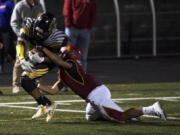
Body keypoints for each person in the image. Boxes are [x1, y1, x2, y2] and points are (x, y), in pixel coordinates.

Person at [30, 44, 167, 123]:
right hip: (94, 95)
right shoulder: (64, 73)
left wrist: (43, 49)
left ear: (68, 55)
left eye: (63, 53)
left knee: (120, 117)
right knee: (90, 117)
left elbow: (58, 62)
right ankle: (126, 114)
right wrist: (35, 85)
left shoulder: (71, 65)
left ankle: (152, 109)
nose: (60, 55)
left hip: (96, 95)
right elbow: (53, 90)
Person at [15, 12, 68, 122]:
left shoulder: (58, 38)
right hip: (35, 53)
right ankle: (46, 104)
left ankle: (46, 104)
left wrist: (43, 58)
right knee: (25, 80)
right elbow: (20, 41)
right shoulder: (29, 24)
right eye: (37, 30)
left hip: (48, 61)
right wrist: (21, 58)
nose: (38, 34)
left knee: (26, 79)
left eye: (42, 32)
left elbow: (58, 60)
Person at [10, 0, 45, 93]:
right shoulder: (20, 5)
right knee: (19, 60)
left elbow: (42, 20)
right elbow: (14, 23)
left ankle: (38, 84)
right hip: (23, 37)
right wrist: (21, 34)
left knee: (37, 60)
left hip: (35, 37)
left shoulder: (39, 5)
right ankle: (15, 85)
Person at [63, 0, 97, 71]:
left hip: (85, 30)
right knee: (68, 54)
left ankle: (82, 77)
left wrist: (89, 27)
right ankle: (66, 76)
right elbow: (67, 10)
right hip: (71, 30)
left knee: (82, 56)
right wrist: (69, 25)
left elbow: (93, 13)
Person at [0, 0, 15, 73]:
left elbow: (14, 14)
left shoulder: (9, 3)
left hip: (7, 31)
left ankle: (16, 64)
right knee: (1, 49)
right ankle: (1, 66)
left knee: (7, 48)